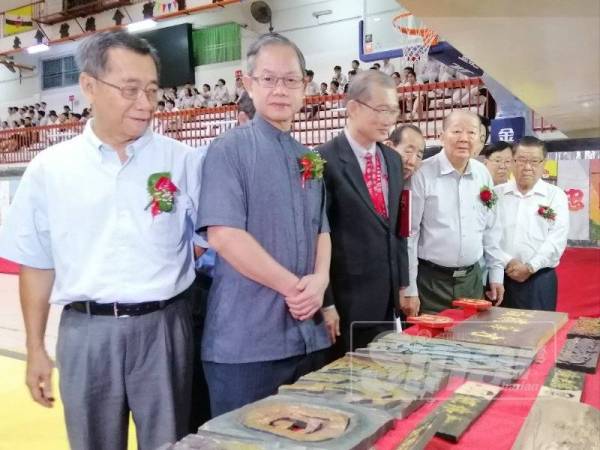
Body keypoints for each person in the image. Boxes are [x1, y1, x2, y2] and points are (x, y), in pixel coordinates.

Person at [0, 31, 204, 450]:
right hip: (85, 332)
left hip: (164, 330)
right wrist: (35, 347)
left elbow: (209, 240)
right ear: (89, 86)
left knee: (169, 443)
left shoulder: (183, 162)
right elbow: (37, 264)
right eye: (130, 90)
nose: (145, 104)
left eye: (151, 90)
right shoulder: (50, 169)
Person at [198, 33, 331, 417]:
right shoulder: (229, 150)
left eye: (291, 80)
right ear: (249, 84)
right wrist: (295, 288)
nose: (280, 90)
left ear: (305, 86)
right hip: (246, 345)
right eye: (268, 79)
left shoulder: (309, 157)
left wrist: (320, 280)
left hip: (307, 337)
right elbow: (224, 235)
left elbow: (322, 229)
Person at [317, 70, 412, 354]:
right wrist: (327, 302)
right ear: (353, 108)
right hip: (346, 303)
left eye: (394, 111)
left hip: (387, 300)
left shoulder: (393, 160)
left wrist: (403, 284)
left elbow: (398, 230)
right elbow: (317, 235)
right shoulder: (324, 160)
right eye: (382, 110)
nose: (389, 120)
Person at [405, 111, 505, 314]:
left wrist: (496, 274)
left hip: (472, 280)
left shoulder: (482, 173)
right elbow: (410, 235)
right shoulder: (422, 174)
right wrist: (409, 289)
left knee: (470, 341)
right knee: (428, 343)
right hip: (430, 282)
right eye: (457, 131)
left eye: (471, 132)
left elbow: (490, 228)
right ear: (442, 136)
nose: (464, 138)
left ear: (480, 138)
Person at [495, 136, 569, 311]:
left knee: (538, 334)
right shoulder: (496, 195)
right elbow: (487, 235)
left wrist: (530, 266)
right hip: (500, 277)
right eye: (521, 160)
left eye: (534, 161)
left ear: (543, 164)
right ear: (512, 162)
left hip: (539, 279)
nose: (527, 167)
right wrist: (507, 261)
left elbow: (557, 238)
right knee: (495, 333)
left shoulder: (555, 195)